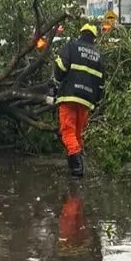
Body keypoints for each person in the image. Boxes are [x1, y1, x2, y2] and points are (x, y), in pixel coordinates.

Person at [54, 23, 105, 178]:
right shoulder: (98, 55)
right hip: (86, 100)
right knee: (77, 133)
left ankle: (77, 169)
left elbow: (60, 66)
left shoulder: (72, 47)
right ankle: (75, 165)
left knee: (67, 132)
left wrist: (58, 80)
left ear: (81, 33)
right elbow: (101, 83)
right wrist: (95, 101)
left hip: (69, 96)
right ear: (94, 37)